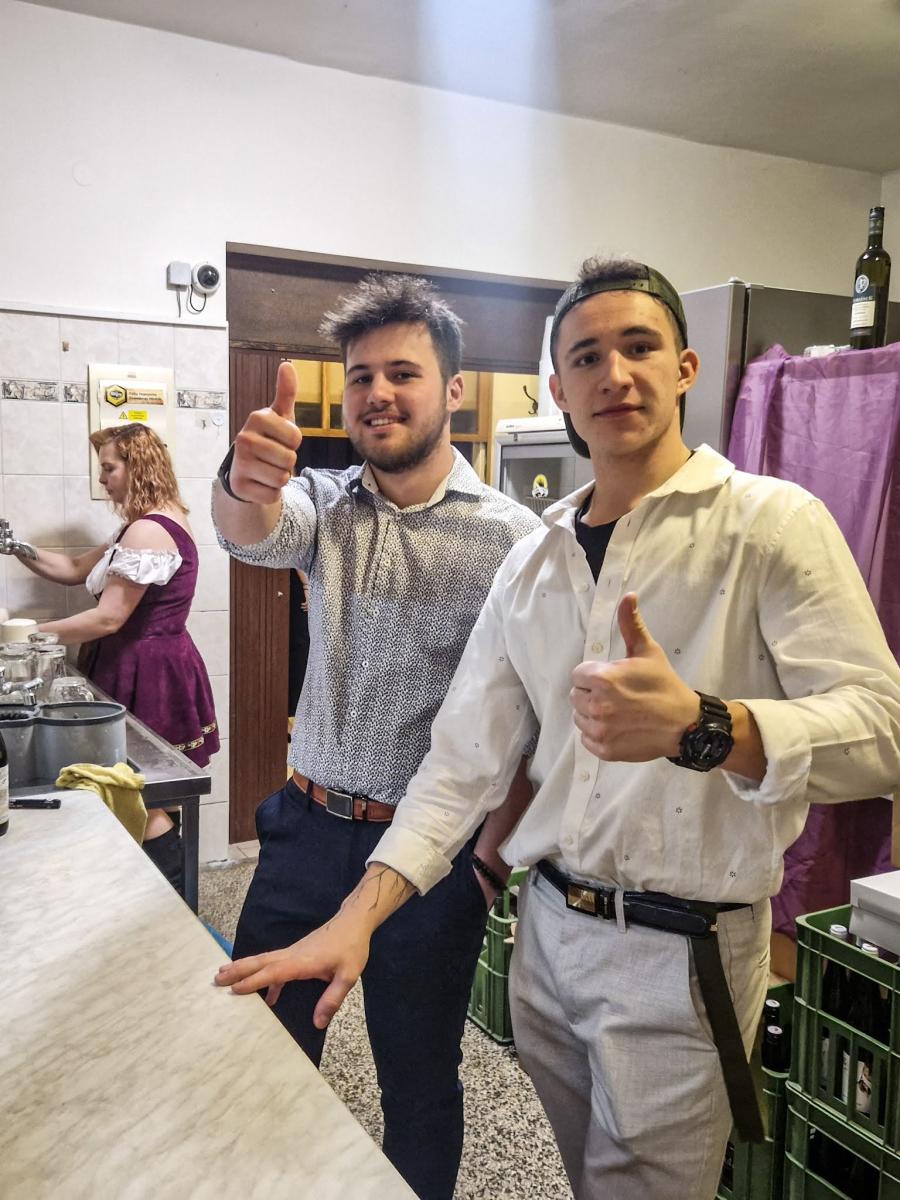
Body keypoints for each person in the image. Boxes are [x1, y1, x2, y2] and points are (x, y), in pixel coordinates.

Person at [215, 258, 900, 1200]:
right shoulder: (536, 558)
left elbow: (882, 732)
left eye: (639, 347)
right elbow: (463, 758)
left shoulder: (766, 523)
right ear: (558, 388)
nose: (614, 374)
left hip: (678, 945)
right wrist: (241, 480)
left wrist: (706, 725)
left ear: (686, 368)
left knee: (472, 1107)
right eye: (586, 356)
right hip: (539, 934)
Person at [211, 273, 539, 1200]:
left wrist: (486, 864)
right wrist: (241, 482)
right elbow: (252, 530)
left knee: (418, 1077)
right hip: (305, 831)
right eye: (361, 376)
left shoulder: (514, 541)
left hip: (429, 861)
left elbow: (533, 725)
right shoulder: (326, 504)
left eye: (403, 372)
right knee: (259, 1045)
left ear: (454, 389)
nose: (377, 393)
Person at [7, 422, 219, 891]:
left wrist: (25, 635)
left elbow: (108, 618)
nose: (102, 479)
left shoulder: (148, 530)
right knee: (147, 789)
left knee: (138, 789)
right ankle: (158, 894)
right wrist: (15, 545)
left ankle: (167, 895)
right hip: (150, 662)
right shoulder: (143, 525)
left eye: (109, 468)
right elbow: (73, 568)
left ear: (137, 466)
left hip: (146, 668)